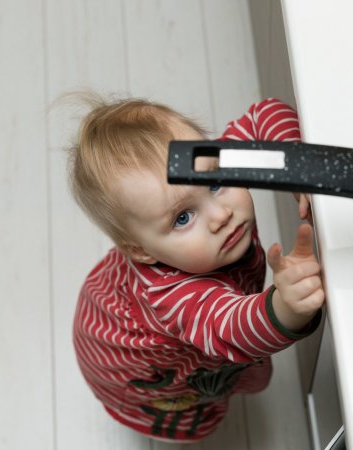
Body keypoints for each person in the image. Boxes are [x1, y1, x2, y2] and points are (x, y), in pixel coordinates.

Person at [67, 95, 324, 442]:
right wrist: (286, 307)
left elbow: (267, 114)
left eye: (216, 183)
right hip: (138, 365)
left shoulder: (202, 164)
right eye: (183, 218)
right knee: (194, 404)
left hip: (114, 298)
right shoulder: (171, 297)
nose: (221, 216)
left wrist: (297, 165)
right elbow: (231, 327)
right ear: (140, 250)